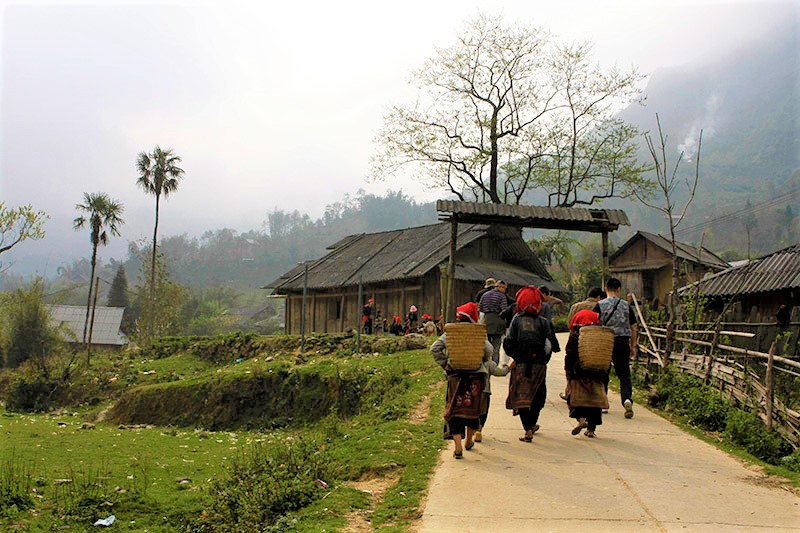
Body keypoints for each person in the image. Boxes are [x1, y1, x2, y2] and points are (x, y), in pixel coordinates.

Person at [431, 302, 509, 459]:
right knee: (473, 411)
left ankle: (458, 448)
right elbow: (489, 350)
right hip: (476, 377)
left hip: (455, 376)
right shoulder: (478, 333)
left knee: (455, 410)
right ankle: (469, 441)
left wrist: (446, 364)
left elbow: (435, 348)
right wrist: (482, 360)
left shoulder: (451, 332)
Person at [503, 286, 560, 442]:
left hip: (520, 364)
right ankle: (532, 424)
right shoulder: (543, 322)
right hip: (539, 365)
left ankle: (527, 428)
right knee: (537, 396)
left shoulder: (516, 320)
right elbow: (549, 345)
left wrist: (515, 356)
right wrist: (543, 360)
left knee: (522, 396)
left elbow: (508, 342)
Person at [593, 277, 638, 419]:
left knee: (603, 372)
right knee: (624, 374)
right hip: (622, 342)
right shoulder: (626, 305)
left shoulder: (599, 305)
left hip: (605, 342)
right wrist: (632, 345)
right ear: (619, 290)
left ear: (606, 289)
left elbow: (594, 324)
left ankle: (603, 404)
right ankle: (626, 399)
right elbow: (633, 327)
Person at [565, 309, 610, 438]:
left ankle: (581, 420)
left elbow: (570, 354)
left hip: (578, 372)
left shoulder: (575, 336)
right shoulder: (601, 337)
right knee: (594, 402)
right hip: (598, 373)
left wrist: (568, 371)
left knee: (576, 398)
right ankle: (591, 429)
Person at [479, 280, 508, 363]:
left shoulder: (485, 295)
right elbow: (504, 310)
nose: (505, 290)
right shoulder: (502, 296)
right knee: (496, 345)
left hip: (486, 320)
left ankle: (486, 362)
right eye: (504, 288)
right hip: (498, 321)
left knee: (486, 344)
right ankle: (494, 364)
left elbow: (480, 307)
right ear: (500, 287)